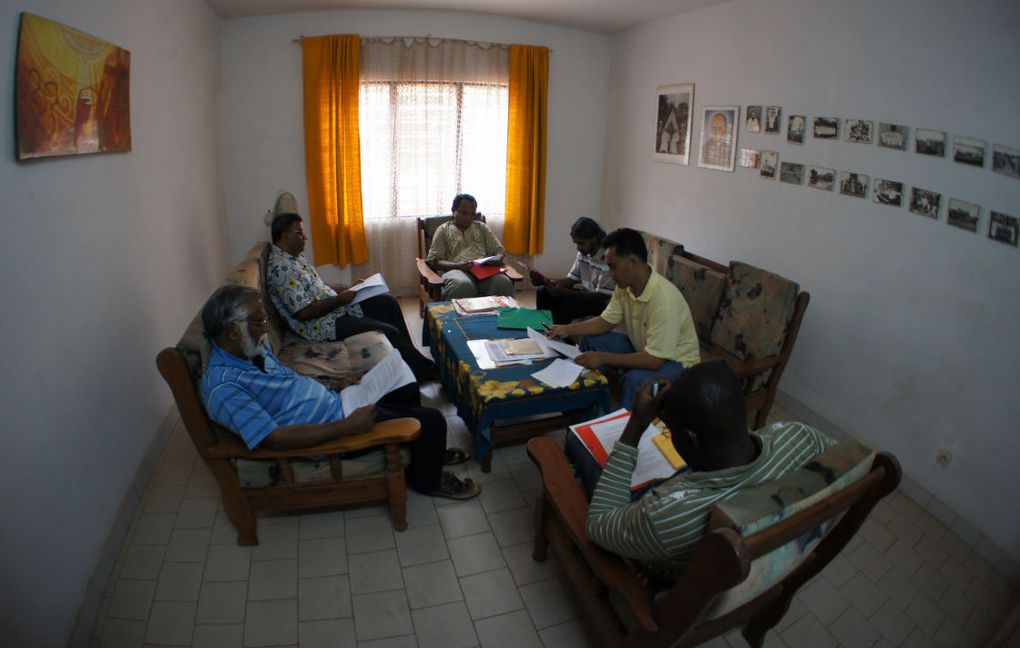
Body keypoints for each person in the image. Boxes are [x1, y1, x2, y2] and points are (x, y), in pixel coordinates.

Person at [198, 285, 480, 500]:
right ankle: (427, 481)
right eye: (258, 322)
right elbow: (274, 438)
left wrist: (335, 384)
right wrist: (347, 426)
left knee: (405, 383)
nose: (264, 328)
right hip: (333, 427)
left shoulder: (249, 350)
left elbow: (289, 384)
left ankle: (424, 455)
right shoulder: (224, 387)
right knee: (432, 421)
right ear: (232, 330)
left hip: (338, 403)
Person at [573, 363, 835, 578]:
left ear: (689, 439)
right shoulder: (803, 437)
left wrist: (635, 428)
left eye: (670, 430)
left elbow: (597, 525)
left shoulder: (667, 515)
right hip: (763, 568)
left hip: (666, 571)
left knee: (583, 450)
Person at [266, 213, 437, 381]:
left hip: (333, 309)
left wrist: (348, 288)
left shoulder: (294, 258)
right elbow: (303, 313)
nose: (305, 237)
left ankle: (414, 360)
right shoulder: (281, 269)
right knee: (387, 330)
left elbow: (319, 287)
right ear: (284, 235)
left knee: (388, 302)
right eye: (299, 233)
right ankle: (423, 370)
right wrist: (340, 299)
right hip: (321, 325)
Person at [545, 227, 700, 409]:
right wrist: (566, 329)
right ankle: (592, 401)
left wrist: (603, 357)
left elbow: (654, 361)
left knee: (635, 380)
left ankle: (625, 430)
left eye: (613, 267)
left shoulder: (664, 300)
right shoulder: (625, 286)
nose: (610, 274)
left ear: (633, 262)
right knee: (590, 340)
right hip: (645, 347)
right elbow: (606, 321)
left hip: (677, 363)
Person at [425, 193, 515, 299]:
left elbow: (499, 250)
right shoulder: (443, 230)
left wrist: (497, 258)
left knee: (503, 283)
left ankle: (501, 315)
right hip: (456, 271)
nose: (468, 217)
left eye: (472, 214)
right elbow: (435, 261)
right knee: (463, 286)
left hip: (484, 271)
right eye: (464, 213)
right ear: (453, 210)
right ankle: (462, 315)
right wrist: (458, 265)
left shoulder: (482, 228)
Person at [529, 216, 614, 324]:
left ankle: (559, 335)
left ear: (595, 238)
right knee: (542, 292)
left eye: (581, 243)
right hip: (587, 296)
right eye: (576, 243)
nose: (578, 247)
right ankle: (544, 327)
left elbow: (600, 296)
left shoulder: (608, 258)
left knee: (568, 305)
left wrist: (566, 293)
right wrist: (545, 281)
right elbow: (570, 280)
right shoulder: (583, 254)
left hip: (602, 303)